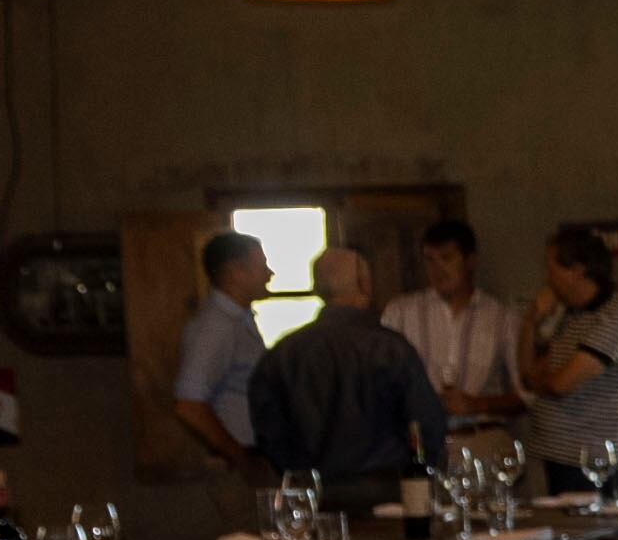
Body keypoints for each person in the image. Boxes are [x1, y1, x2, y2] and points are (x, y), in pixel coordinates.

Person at [246, 247, 448, 513]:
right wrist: (423, 477)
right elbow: (426, 424)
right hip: (390, 492)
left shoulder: (283, 354)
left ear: (318, 289)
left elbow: (269, 431)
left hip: (314, 495)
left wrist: (297, 471)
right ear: (364, 284)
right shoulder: (390, 348)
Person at [514, 224, 618, 494]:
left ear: (577, 270)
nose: (547, 279)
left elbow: (562, 384)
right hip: (558, 457)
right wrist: (530, 322)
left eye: (552, 269)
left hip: (591, 465)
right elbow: (529, 375)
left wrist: (544, 382)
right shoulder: (573, 317)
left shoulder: (617, 317)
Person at [382, 216, 518, 442]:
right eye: (429, 260)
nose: (437, 269)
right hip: (421, 441)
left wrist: (477, 404)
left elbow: (525, 394)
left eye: (446, 258)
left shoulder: (501, 317)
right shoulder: (401, 312)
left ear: (470, 261)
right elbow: (379, 383)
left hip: (481, 438)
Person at [169, 229, 272, 503]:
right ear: (237, 273)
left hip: (249, 457)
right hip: (237, 466)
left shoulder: (238, 321)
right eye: (261, 266)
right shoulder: (215, 327)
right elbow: (189, 405)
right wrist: (240, 457)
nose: (270, 273)